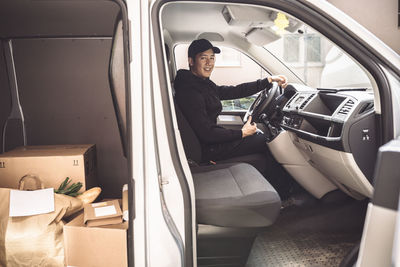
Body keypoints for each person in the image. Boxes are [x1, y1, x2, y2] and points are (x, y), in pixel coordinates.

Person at [174, 38, 288, 163]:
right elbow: (207, 133)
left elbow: (233, 91)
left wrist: (267, 81)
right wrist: (242, 133)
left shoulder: (202, 84)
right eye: (203, 58)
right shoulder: (190, 91)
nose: (209, 63)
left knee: (261, 139)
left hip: (211, 143)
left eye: (212, 58)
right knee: (265, 140)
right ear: (191, 61)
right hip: (208, 149)